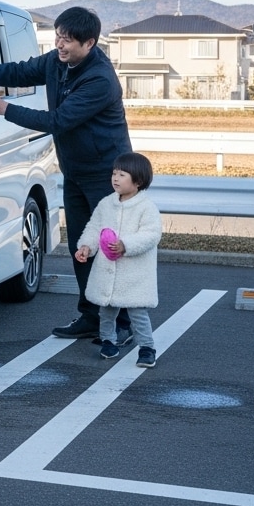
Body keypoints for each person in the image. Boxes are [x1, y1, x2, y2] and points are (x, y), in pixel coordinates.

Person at [0, 6, 132, 341]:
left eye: (68, 40)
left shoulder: (99, 79)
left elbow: (57, 121)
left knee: (110, 250)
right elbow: (20, 72)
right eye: (58, 37)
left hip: (108, 177)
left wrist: (5, 109)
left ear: (89, 43)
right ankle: (91, 316)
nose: (60, 45)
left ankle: (123, 324)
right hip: (76, 172)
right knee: (82, 246)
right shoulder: (57, 61)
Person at [75, 152, 161, 368]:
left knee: (138, 312)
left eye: (122, 174)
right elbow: (95, 228)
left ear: (138, 181)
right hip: (107, 270)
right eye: (114, 173)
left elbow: (151, 235)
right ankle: (108, 341)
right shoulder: (106, 204)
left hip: (134, 273)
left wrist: (126, 245)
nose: (115, 178)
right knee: (106, 309)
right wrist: (86, 246)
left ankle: (147, 348)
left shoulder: (146, 207)